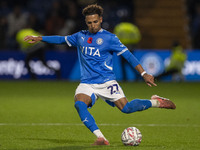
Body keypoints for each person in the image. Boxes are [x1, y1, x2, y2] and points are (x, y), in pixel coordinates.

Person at [24, 4, 176, 145]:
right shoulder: (80, 36)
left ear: (101, 20)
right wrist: (40, 38)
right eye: (89, 23)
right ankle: (100, 137)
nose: (92, 25)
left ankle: (156, 102)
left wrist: (143, 73)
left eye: (95, 22)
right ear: (86, 22)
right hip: (87, 83)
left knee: (127, 108)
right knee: (79, 104)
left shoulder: (110, 38)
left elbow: (128, 55)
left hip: (107, 82)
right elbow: (61, 40)